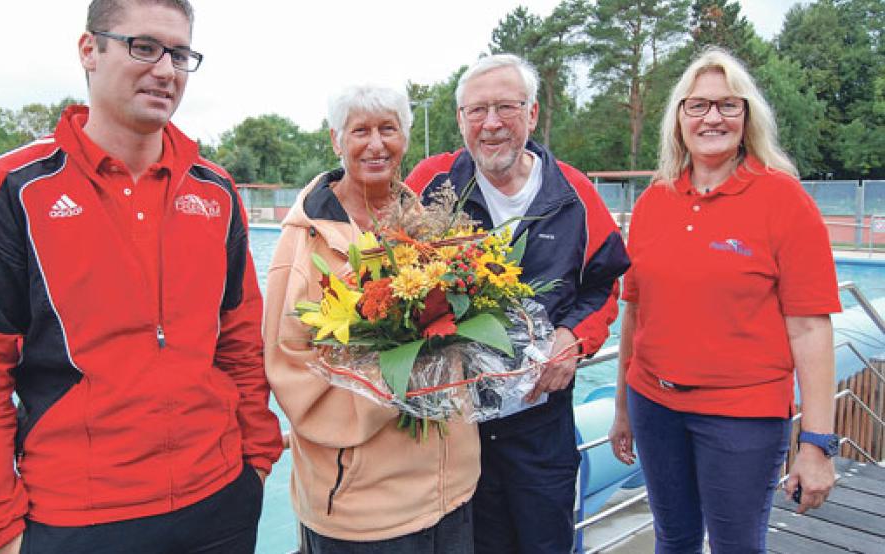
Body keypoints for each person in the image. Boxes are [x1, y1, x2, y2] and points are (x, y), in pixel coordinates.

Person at [0, 1, 283, 553]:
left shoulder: (214, 190)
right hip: (79, 517)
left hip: (220, 500)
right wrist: (1, 527)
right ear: (90, 50)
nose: (165, 70)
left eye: (179, 54)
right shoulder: (19, 188)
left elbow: (242, 340)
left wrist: (257, 458)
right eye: (144, 47)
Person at [609, 47, 840, 553]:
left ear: (746, 117)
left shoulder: (783, 200)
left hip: (741, 418)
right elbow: (635, 311)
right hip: (655, 407)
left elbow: (810, 328)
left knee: (737, 546)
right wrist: (623, 407)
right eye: (698, 106)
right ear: (679, 118)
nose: (712, 117)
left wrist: (817, 444)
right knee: (674, 540)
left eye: (727, 105)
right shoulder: (653, 202)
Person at [406, 54, 630, 554]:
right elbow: (392, 273)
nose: (491, 124)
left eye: (505, 107)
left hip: (539, 424)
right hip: (454, 426)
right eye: (476, 110)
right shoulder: (432, 184)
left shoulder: (574, 194)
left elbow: (606, 286)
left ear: (531, 114)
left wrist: (574, 337)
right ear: (460, 119)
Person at [263, 85, 480, 554]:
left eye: (389, 128)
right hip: (364, 509)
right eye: (360, 130)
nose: (376, 144)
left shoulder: (428, 227)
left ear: (404, 136)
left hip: (452, 490)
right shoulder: (305, 245)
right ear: (336, 141)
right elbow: (288, 366)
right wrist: (396, 388)